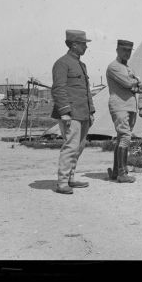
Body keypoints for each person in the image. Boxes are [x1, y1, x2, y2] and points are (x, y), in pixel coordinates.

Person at [51, 30, 95, 195]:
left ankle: (70, 177)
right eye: (84, 44)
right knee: (70, 146)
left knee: (79, 146)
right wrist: (64, 112)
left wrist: (91, 111)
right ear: (74, 44)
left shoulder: (81, 65)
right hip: (70, 113)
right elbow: (58, 89)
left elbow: (86, 91)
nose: (86, 47)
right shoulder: (62, 63)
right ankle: (62, 182)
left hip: (83, 113)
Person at [106, 39, 141, 182]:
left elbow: (137, 87)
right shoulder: (113, 67)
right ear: (117, 50)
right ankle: (122, 173)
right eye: (124, 50)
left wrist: (134, 83)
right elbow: (128, 83)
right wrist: (135, 81)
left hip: (130, 106)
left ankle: (116, 172)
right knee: (125, 136)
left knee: (122, 137)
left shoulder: (128, 68)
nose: (127, 53)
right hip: (119, 105)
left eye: (129, 51)